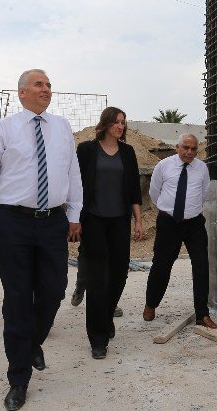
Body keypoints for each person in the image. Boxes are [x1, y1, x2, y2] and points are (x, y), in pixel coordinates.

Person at [0, 69, 82, 411]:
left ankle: (31, 343)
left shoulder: (61, 127)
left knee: (55, 289)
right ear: (22, 92)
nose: (47, 89)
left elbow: (72, 172)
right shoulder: (4, 129)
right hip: (13, 221)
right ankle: (18, 378)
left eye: (49, 85)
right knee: (17, 298)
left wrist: (75, 215)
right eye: (39, 84)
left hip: (53, 220)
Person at [75, 107, 143, 359]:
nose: (120, 126)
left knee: (119, 273)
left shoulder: (128, 152)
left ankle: (106, 314)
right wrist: (74, 220)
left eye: (123, 123)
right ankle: (98, 338)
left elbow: (134, 188)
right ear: (105, 124)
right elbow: (76, 185)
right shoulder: (86, 150)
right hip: (93, 220)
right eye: (116, 122)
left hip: (119, 221)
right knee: (97, 279)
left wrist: (138, 220)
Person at [143, 134, 217, 330]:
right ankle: (151, 304)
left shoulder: (202, 168)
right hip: (169, 223)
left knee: (201, 266)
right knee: (161, 265)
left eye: (194, 149)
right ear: (177, 147)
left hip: (194, 224)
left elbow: (204, 193)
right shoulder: (164, 166)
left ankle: (202, 314)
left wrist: (189, 211)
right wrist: (167, 209)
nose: (190, 152)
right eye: (186, 147)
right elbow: (154, 191)